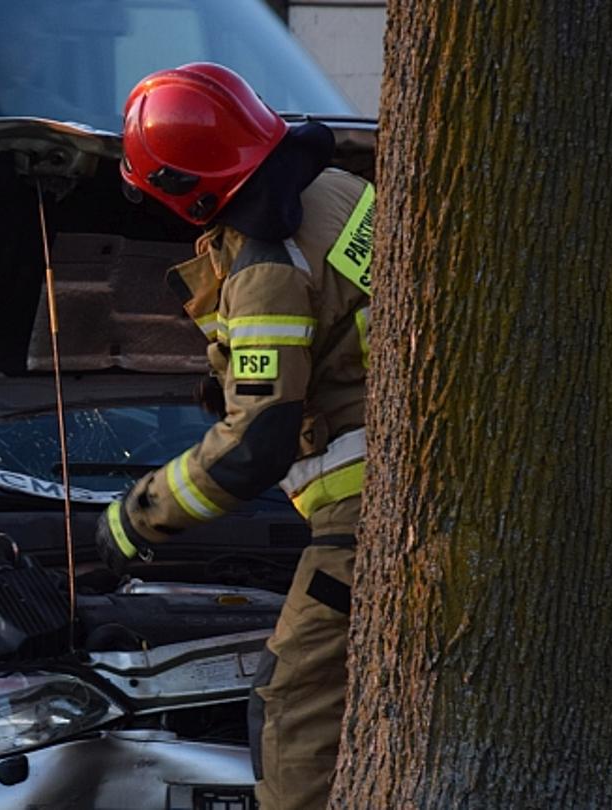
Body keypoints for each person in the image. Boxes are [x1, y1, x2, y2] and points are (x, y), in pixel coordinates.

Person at [94, 62, 373, 809]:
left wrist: (135, 516)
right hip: (410, 492)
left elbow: (258, 444)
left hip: (364, 516)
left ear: (191, 188)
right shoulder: (341, 192)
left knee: (293, 703)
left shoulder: (264, 267)